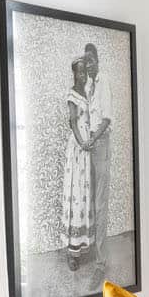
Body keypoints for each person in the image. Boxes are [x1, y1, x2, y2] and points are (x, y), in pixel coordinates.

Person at [61, 57, 93, 271]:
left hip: (87, 147)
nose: (82, 76)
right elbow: (73, 122)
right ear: (74, 74)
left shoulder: (88, 93)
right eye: (78, 72)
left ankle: (82, 245)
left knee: (84, 194)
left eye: (84, 72)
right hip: (78, 148)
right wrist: (83, 143)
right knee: (76, 194)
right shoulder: (72, 94)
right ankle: (72, 253)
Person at [84, 41, 112, 268]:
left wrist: (93, 139)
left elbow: (106, 119)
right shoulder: (89, 86)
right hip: (91, 144)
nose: (89, 66)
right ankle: (92, 248)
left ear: (98, 61)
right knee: (91, 199)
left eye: (91, 62)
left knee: (100, 201)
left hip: (100, 143)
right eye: (86, 63)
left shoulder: (104, 84)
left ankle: (101, 257)